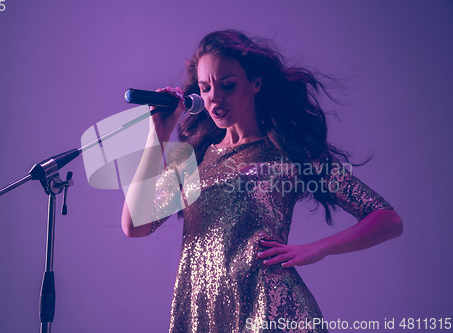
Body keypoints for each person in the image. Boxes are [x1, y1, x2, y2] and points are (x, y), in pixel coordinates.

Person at [121, 30, 403, 333]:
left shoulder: (291, 154)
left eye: (227, 85)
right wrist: (159, 134)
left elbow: (388, 219)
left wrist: (319, 248)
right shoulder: (191, 158)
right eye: (205, 88)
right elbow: (135, 225)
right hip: (202, 314)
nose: (214, 97)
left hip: (271, 312)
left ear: (255, 83)